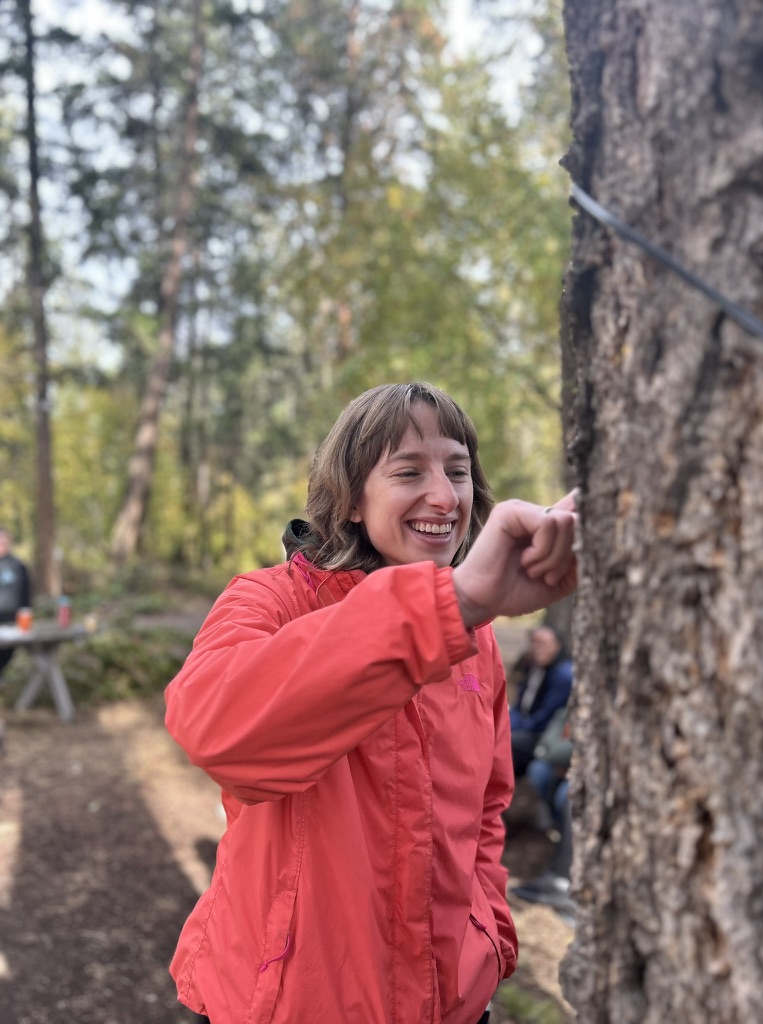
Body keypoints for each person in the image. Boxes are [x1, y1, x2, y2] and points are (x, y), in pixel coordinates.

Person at [165, 381, 578, 1024]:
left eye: (459, 470)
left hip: (451, 1002)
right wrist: (451, 608)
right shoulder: (268, 600)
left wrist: (488, 938)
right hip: (291, 1004)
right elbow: (217, 735)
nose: (444, 496)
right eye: (408, 471)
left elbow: (488, 807)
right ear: (352, 498)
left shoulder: (480, 640)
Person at [510, 706, 575, 920]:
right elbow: (553, 731)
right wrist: (552, 755)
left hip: (579, 775)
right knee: (539, 771)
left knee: (569, 796)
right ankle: (549, 829)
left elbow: (560, 749)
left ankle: (562, 878)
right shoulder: (573, 705)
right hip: (561, 767)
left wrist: (556, 755)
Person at [508, 625, 573, 778]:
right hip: (526, 726)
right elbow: (520, 704)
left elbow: (544, 718)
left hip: (544, 735)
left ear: (557, 645)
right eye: (534, 643)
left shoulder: (562, 675)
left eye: (543, 643)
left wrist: (511, 726)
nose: (537, 648)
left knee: (508, 742)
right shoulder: (533, 668)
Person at [0, 527, 31, 675]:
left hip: (13, 618)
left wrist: (26, 612)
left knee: (7, 655)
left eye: (4, 542)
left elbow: (26, 591)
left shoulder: (18, 565)